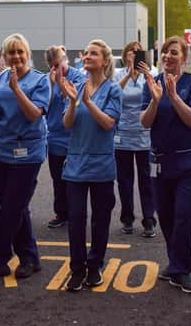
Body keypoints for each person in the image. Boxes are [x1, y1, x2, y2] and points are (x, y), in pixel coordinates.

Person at [0, 33, 49, 279]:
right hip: (0, 150)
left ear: (28, 55)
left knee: (12, 207)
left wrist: (17, 89)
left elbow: (34, 114)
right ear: (5, 56)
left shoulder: (40, 81)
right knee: (17, 208)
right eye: (11, 52)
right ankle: (30, 258)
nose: (16, 57)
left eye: (20, 52)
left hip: (28, 152)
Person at [141, 35, 191, 294]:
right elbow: (145, 123)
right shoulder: (151, 83)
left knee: (183, 216)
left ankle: (182, 269)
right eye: (165, 52)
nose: (168, 56)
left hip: (188, 163)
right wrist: (156, 100)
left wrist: (174, 97)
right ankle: (175, 264)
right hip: (160, 163)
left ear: (184, 57)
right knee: (165, 217)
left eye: (174, 52)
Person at [60, 39, 122, 292]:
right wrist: (75, 101)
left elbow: (108, 124)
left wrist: (87, 102)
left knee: (100, 220)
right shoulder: (75, 86)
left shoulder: (113, 89)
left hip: (101, 166)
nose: (87, 57)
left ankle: (95, 265)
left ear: (105, 61)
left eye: (93, 54)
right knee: (75, 219)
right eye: (86, 53)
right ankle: (77, 268)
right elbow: (67, 124)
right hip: (75, 164)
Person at [114, 41, 156, 237]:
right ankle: (127, 218)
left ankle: (149, 219)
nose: (134, 55)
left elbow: (157, 95)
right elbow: (113, 94)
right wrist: (128, 74)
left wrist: (146, 75)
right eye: (131, 51)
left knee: (145, 179)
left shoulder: (151, 73)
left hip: (144, 133)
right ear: (125, 54)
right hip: (122, 133)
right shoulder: (117, 74)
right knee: (124, 180)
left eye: (138, 53)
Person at [44, 45, 86, 229]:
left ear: (65, 60)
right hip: (54, 136)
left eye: (59, 64)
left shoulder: (77, 76)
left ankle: (77, 212)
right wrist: (52, 84)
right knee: (58, 178)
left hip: (73, 135)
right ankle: (61, 212)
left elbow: (75, 101)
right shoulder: (47, 80)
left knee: (75, 178)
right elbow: (43, 106)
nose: (56, 69)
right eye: (52, 66)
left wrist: (61, 85)